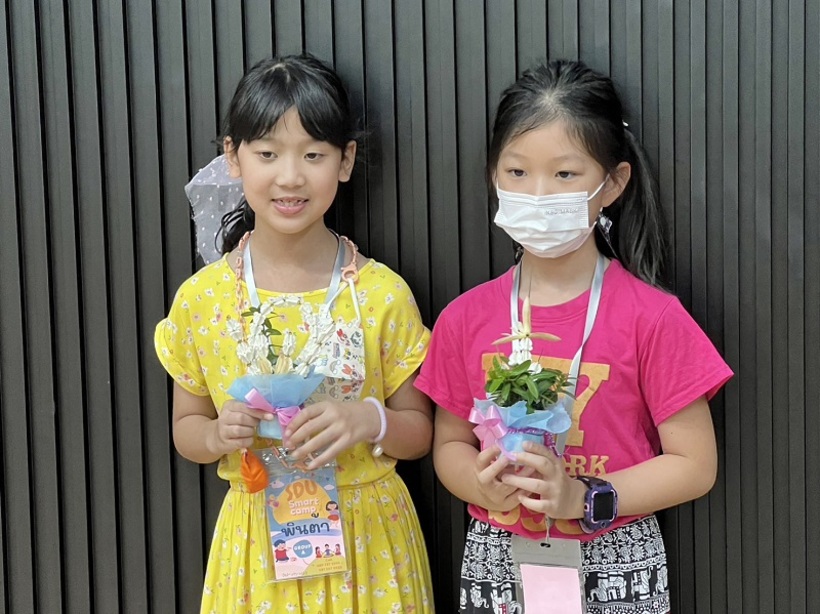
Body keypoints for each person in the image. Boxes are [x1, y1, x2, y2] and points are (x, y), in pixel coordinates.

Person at [414, 59, 733, 613]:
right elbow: (449, 445)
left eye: (564, 175)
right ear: (493, 175)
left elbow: (694, 465)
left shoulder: (653, 317)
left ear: (614, 183)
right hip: (497, 555)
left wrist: (583, 498)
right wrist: (480, 484)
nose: (538, 195)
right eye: (517, 172)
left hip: (616, 553)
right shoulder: (464, 318)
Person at [155, 54, 434, 613]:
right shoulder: (203, 300)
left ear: (345, 160)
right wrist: (218, 435)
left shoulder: (381, 294)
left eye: (313, 155)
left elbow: (420, 432)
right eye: (267, 153)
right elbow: (187, 429)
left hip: (368, 544)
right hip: (257, 544)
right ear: (232, 156)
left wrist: (368, 420)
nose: (289, 177)